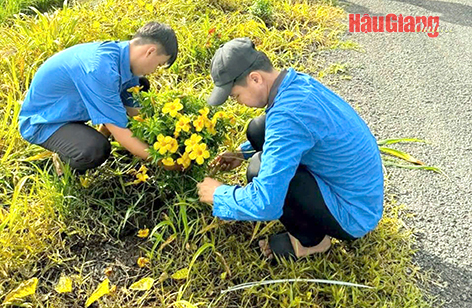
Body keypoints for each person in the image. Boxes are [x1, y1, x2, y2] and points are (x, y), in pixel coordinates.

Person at [197, 38, 384, 260]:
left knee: (258, 169)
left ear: (255, 78)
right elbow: (293, 132)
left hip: (354, 213)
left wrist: (219, 195)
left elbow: (266, 202)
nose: (239, 103)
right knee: (258, 128)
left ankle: (312, 242)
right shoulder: (295, 84)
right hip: (355, 187)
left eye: (236, 96)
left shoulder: (288, 117)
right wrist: (242, 153)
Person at [18, 22, 178, 173]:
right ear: (150, 52)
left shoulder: (123, 55)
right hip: (44, 121)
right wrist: (166, 162)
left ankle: (101, 130)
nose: (155, 70)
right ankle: (63, 164)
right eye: (158, 64)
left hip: (72, 107)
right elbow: (122, 134)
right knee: (94, 149)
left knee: (140, 87)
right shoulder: (100, 69)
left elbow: (135, 111)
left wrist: (168, 134)